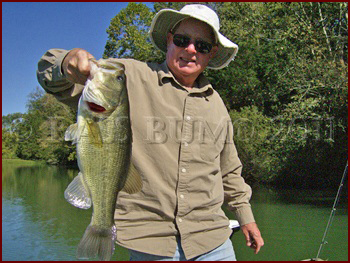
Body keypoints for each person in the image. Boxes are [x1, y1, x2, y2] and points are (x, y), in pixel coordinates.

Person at [37, 4, 264, 261]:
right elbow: (53, 78)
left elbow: (229, 170)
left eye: (201, 46)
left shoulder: (217, 106)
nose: (190, 49)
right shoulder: (125, 76)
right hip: (151, 245)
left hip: (213, 239)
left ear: (211, 54)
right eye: (182, 40)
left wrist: (246, 218)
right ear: (169, 40)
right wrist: (68, 62)